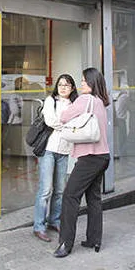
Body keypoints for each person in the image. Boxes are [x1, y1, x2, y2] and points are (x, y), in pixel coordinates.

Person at [54, 67, 110, 258]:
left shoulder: (85, 99)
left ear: (92, 83)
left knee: (70, 196)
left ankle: (65, 243)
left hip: (89, 158)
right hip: (103, 156)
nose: (81, 84)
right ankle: (94, 239)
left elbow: (63, 117)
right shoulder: (100, 102)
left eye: (85, 81)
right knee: (93, 198)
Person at [33, 74, 77, 242]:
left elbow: (79, 122)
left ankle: (54, 220)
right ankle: (39, 226)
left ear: (72, 88)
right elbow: (51, 120)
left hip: (65, 151)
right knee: (45, 190)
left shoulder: (75, 104)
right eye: (60, 85)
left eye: (67, 85)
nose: (63, 87)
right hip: (49, 150)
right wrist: (68, 126)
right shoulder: (51, 101)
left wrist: (69, 126)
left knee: (60, 190)